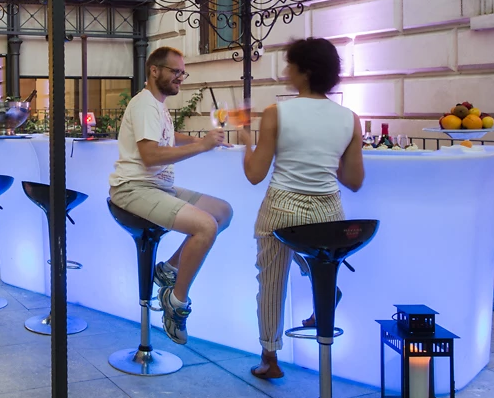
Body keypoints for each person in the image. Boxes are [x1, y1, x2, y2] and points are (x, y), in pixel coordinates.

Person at [242, 37, 365, 379]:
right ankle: (325, 290)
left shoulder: (276, 113)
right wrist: (324, 157)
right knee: (316, 256)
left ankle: (270, 358)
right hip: (329, 212)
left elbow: (254, 174)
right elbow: (354, 180)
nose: (286, 71)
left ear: (305, 71)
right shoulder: (350, 119)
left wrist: (246, 143)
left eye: (290, 65)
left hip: (282, 205)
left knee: (271, 281)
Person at [109, 46, 232, 345]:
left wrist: (203, 141)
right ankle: (176, 302)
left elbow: (167, 137)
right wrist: (201, 146)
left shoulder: (157, 105)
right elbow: (151, 156)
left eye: (182, 73)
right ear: (154, 70)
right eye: (175, 71)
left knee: (222, 211)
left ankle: (167, 270)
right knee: (205, 226)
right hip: (133, 188)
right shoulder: (144, 104)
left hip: (157, 187)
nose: (180, 77)